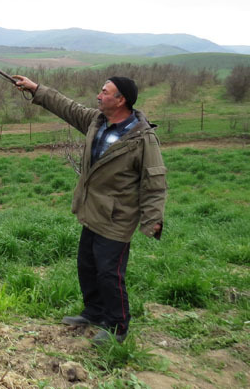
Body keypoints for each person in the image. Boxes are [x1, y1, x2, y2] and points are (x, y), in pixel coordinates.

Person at [11, 75, 167, 345]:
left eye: (104, 92)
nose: (98, 96)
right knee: (87, 265)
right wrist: (35, 89)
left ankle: (118, 326)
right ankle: (94, 312)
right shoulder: (97, 121)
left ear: (121, 100)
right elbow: (67, 107)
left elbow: (154, 181)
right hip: (92, 210)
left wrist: (153, 219)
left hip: (118, 217)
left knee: (109, 272)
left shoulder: (142, 139)